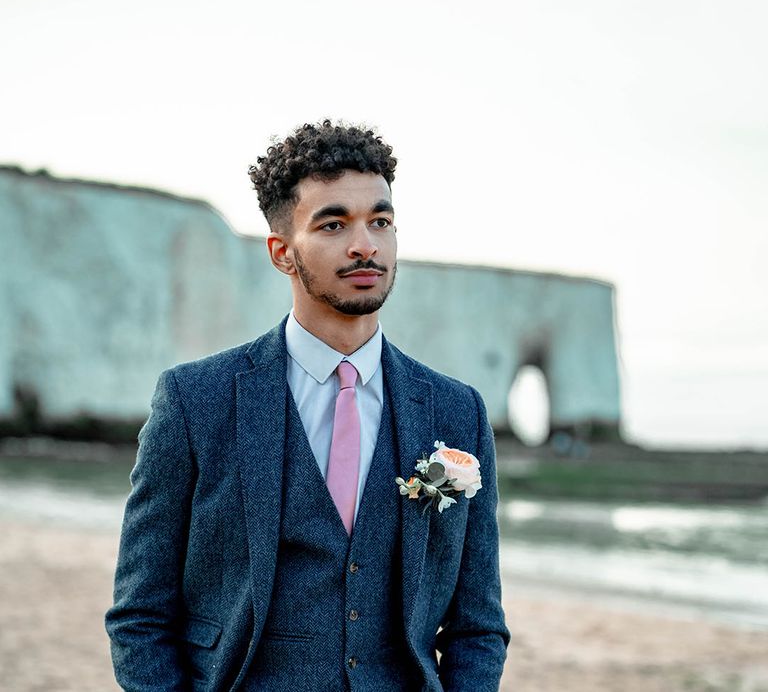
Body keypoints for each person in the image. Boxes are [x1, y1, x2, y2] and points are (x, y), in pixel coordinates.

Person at [105, 120, 509, 691]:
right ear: (282, 253)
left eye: (380, 221)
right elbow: (139, 615)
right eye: (333, 223)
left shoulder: (455, 411)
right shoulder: (196, 401)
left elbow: (478, 626)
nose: (365, 243)